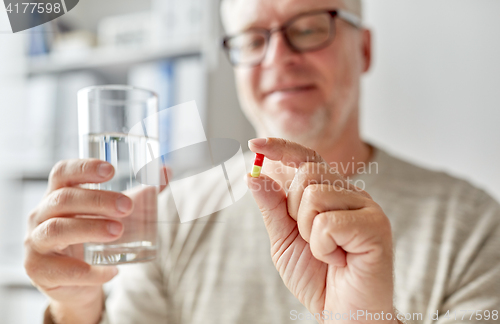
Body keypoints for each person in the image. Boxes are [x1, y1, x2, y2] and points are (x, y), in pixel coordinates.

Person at [24, 0, 500, 323]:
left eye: (310, 28)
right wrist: (77, 309)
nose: (279, 58)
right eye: (253, 38)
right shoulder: (169, 214)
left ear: (366, 49)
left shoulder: (472, 226)